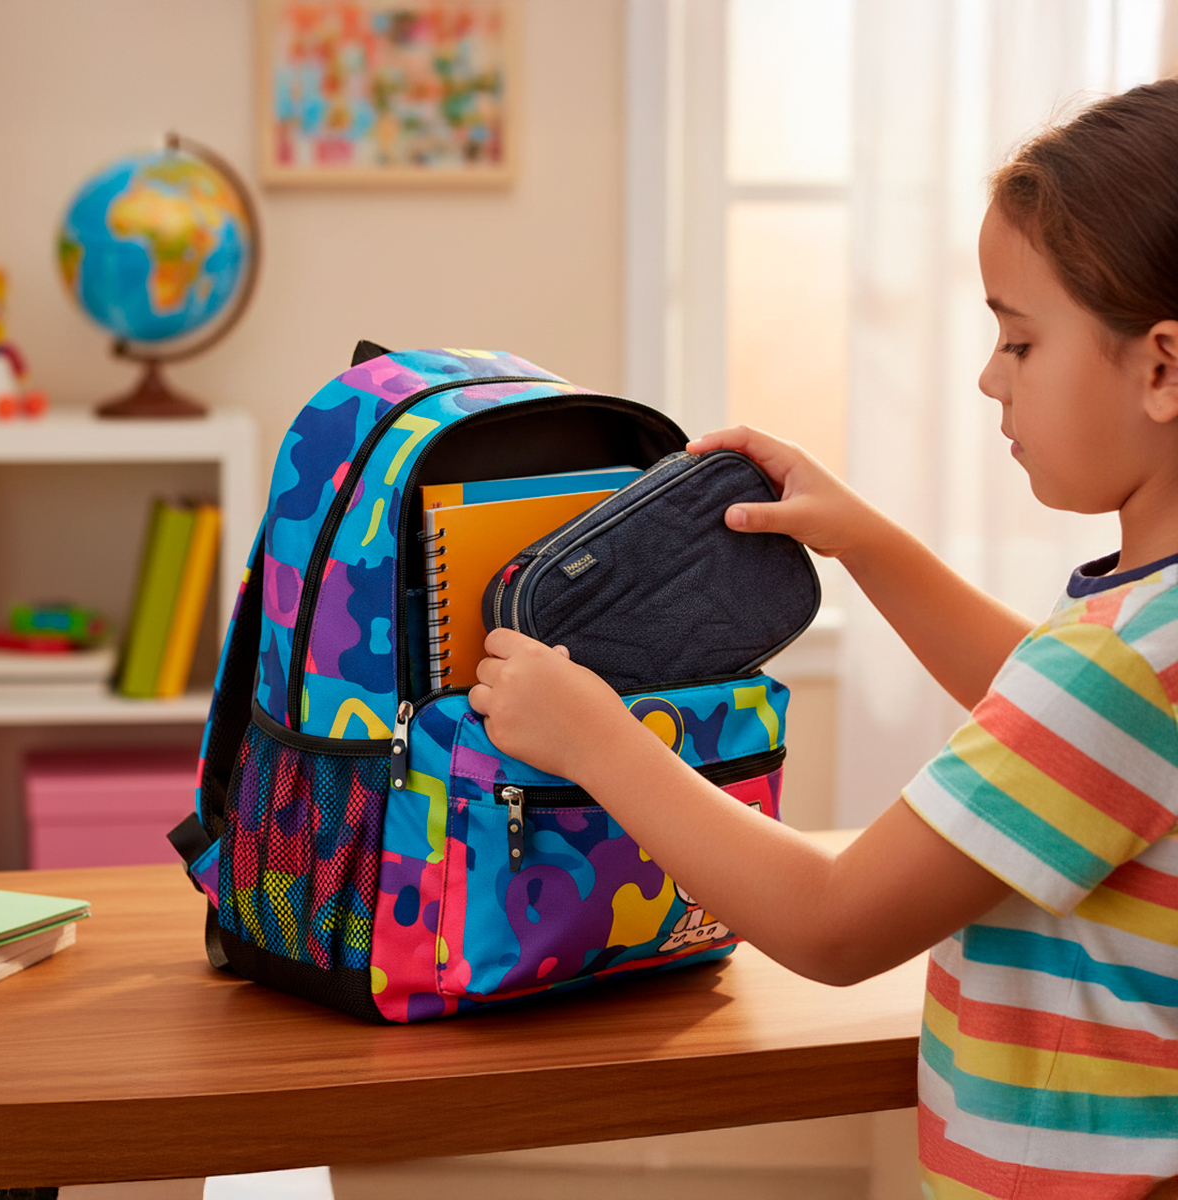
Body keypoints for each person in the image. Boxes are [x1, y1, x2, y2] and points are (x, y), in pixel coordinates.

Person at [469, 79, 1178, 1200]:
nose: (988, 377)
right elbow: (1060, 729)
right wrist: (868, 543)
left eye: (1019, 341)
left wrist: (593, 741)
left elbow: (834, 926)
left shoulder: (1116, 665)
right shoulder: (1147, 642)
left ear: (1161, 367)